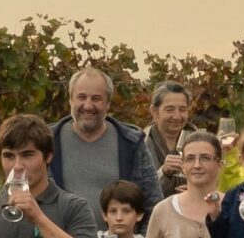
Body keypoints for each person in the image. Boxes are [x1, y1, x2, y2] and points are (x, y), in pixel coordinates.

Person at [49, 67, 162, 220]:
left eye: (96, 99)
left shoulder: (131, 145)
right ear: (70, 100)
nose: (88, 106)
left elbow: (154, 207)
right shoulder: (46, 142)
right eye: (81, 97)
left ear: (108, 103)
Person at [143, 81, 192, 198]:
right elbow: (134, 192)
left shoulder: (199, 142)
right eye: (169, 110)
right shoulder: (139, 145)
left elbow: (215, 184)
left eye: (182, 109)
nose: (177, 116)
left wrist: (197, 191)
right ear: (154, 111)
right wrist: (163, 173)